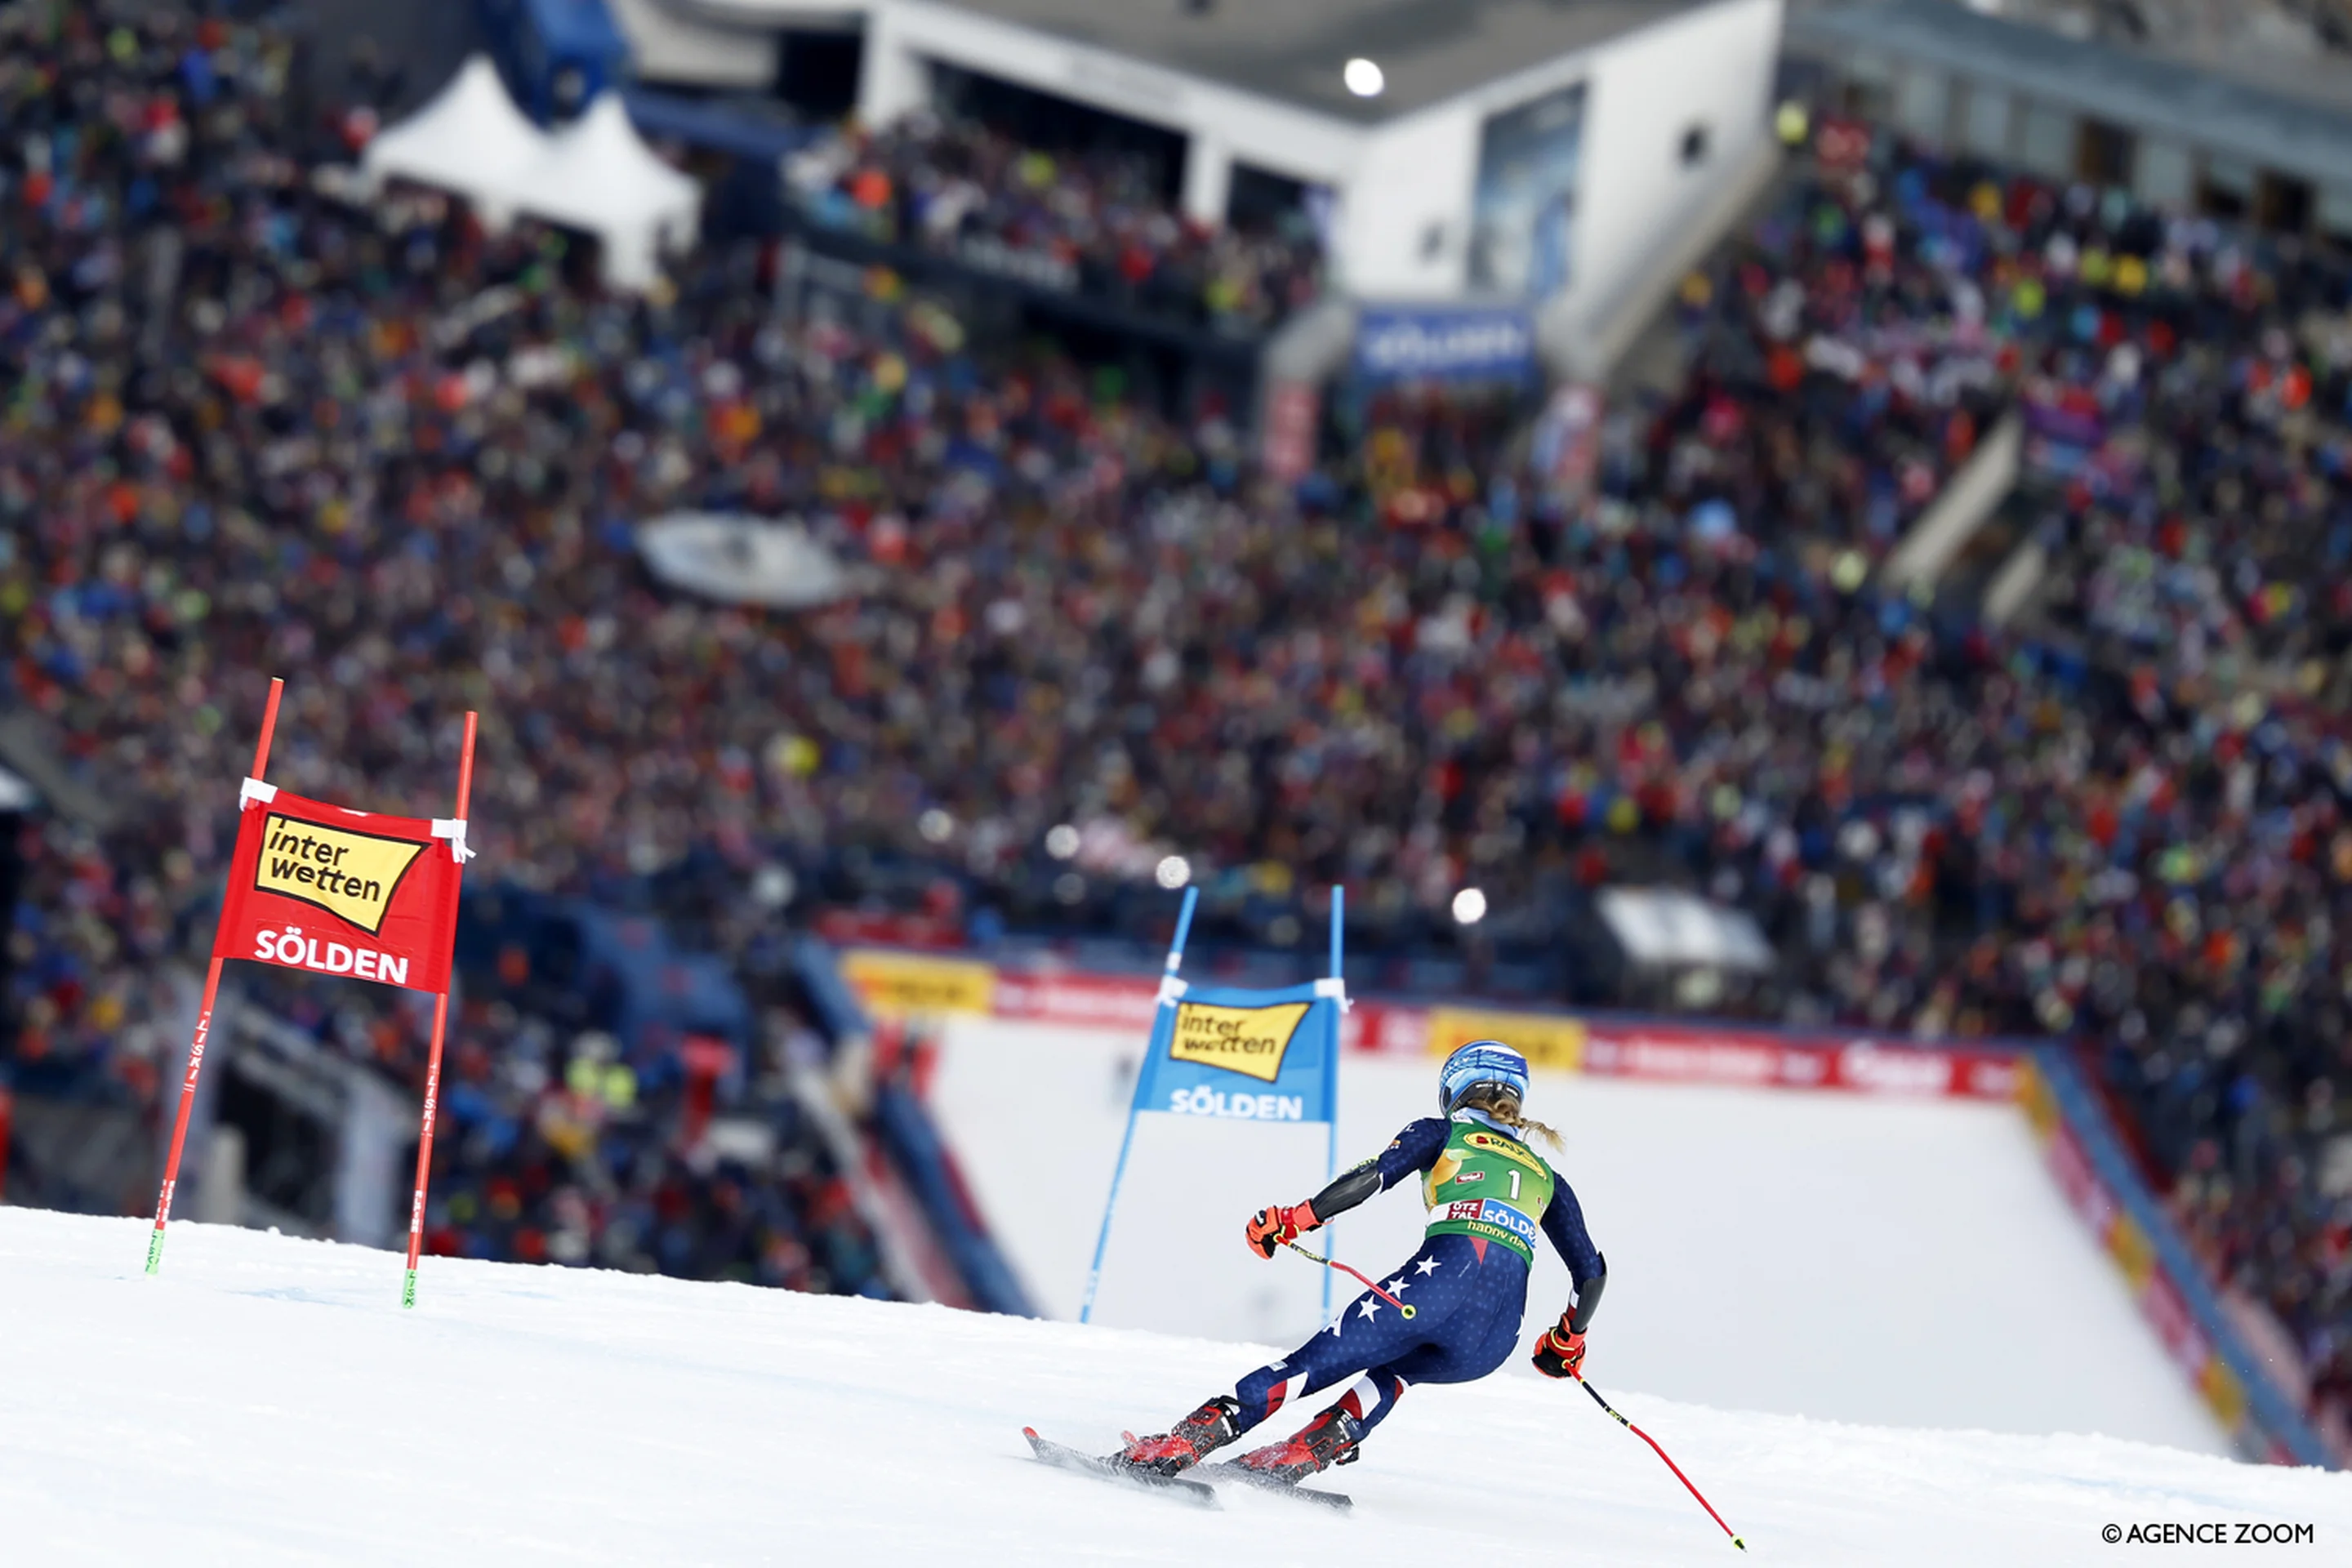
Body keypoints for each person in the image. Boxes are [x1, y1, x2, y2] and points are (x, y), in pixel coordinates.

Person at [1116, 1040, 1606, 1482]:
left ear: (1454, 1088)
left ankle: (1188, 1441)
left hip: (1435, 1290)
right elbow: (1591, 1275)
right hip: (1493, 1341)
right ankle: (1316, 1445)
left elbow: (1372, 1178)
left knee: (1307, 1367)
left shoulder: (1443, 1132)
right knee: (1396, 1372)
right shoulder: (1548, 1175)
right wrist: (1568, 1339)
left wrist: (1295, 1219)